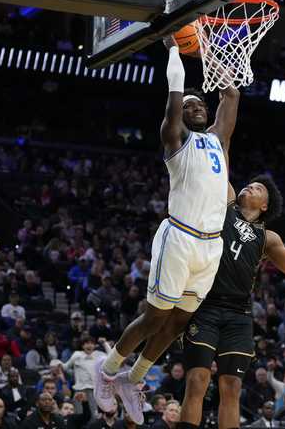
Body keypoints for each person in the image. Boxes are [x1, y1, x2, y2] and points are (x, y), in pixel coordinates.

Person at [95, 34, 240, 425]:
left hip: (211, 247)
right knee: (155, 317)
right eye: (190, 105)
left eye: (200, 105)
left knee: (179, 323)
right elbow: (175, 94)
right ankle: (107, 371)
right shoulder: (175, 139)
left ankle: (134, 378)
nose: (196, 108)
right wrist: (176, 47)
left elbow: (230, 95)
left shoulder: (217, 141)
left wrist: (209, 48)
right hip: (180, 237)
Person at [178, 166, 285, 429]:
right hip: (205, 305)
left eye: (259, 188)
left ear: (264, 206)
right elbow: (220, 161)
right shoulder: (226, 206)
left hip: (238, 314)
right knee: (197, 379)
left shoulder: (268, 238)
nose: (250, 186)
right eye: (249, 184)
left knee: (231, 386)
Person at [62, 336, 106, 414]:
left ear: (95, 346)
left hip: (94, 390)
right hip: (79, 389)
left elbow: (111, 356)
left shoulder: (99, 355)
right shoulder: (77, 354)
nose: (89, 345)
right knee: (79, 414)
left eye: (92, 343)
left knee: (94, 414)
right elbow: (66, 367)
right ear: (82, 346)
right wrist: (57, 363)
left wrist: (105, 344)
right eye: (87, 343)